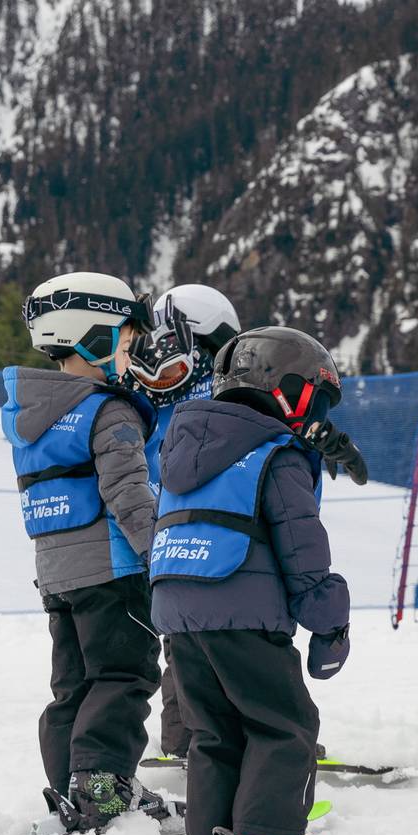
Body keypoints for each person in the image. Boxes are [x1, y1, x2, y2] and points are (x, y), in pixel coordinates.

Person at [147, 325, 369, 835]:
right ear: (287, 390)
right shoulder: (277, 453)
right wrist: (330, 622)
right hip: (241, 610)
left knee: (214, 733)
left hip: (179, 610)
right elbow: (303, 549)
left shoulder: (185, 445)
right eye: (313, 401)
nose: (311, 417)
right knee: (285, 725)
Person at [2, 271, 171, 834]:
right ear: (92, 336)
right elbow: (128, 493)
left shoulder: (33, 419)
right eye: (125, 343)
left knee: (72, 685)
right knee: (123, 675)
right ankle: (101, 789)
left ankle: (71, 788)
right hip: (114, 570)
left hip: (57, 575)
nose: (129, 357)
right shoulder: (109, 411)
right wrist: (159, 557)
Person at [126, 284, 242, 764]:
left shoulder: (180, 406)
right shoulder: (157, 409)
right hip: (190, 545)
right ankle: (200, 736)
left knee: (191, 645)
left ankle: (184, 736)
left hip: (187, 545)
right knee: (213, 644)